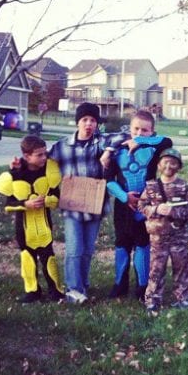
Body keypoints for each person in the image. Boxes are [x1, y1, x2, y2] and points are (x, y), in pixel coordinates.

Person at [49, 102, 124, 303]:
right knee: (74, 248)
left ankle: (83, 284)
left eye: (93, 120)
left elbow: (123, 136)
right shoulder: (62, 146)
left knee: (88, 249)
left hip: (94, 205)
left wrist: (108, 151)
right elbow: (43, 163)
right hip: (73, 206)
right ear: (77, 122)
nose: (89, 124)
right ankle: (73, 289)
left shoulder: (100, 142)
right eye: (84, 120)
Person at [104, 109, 172, 300]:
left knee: (143, 244)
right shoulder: (117, 149)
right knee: (122, 244)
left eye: (145, 130)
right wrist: (124, 196)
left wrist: (140, 141)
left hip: (146, 205)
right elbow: (108, 178)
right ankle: (120, 284)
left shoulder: (153, 148)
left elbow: (167, 142)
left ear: (152, 132)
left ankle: (143, 287)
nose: (140, 133)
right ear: (129, 128)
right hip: (123, 204)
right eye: (136, 129)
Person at [0, 135, 64, 303]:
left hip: (44, 225)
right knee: (27, 258)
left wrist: (46, 201)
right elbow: (8, 205)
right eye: (39, 155)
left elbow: (57, 198)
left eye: (45, 153)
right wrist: (26, 204)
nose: (44, 158)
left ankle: (56, 290)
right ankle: (32, 291)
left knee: (49, 258)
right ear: (26, 156)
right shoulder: (15, 174)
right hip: (23, 228)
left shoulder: (49, 170)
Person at [138, 148, 188, 312]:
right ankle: (152, 300)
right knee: (156, 269)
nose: (169, 166)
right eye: (165, 162)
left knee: (182, 268)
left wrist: (173, 212)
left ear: (179, 166)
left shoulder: (184, 186)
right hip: (158, 237)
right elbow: (141, 205)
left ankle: (183, 298)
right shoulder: (151, 186)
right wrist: (156, 209)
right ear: (158, 165)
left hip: (179, 237)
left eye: (173, 163)